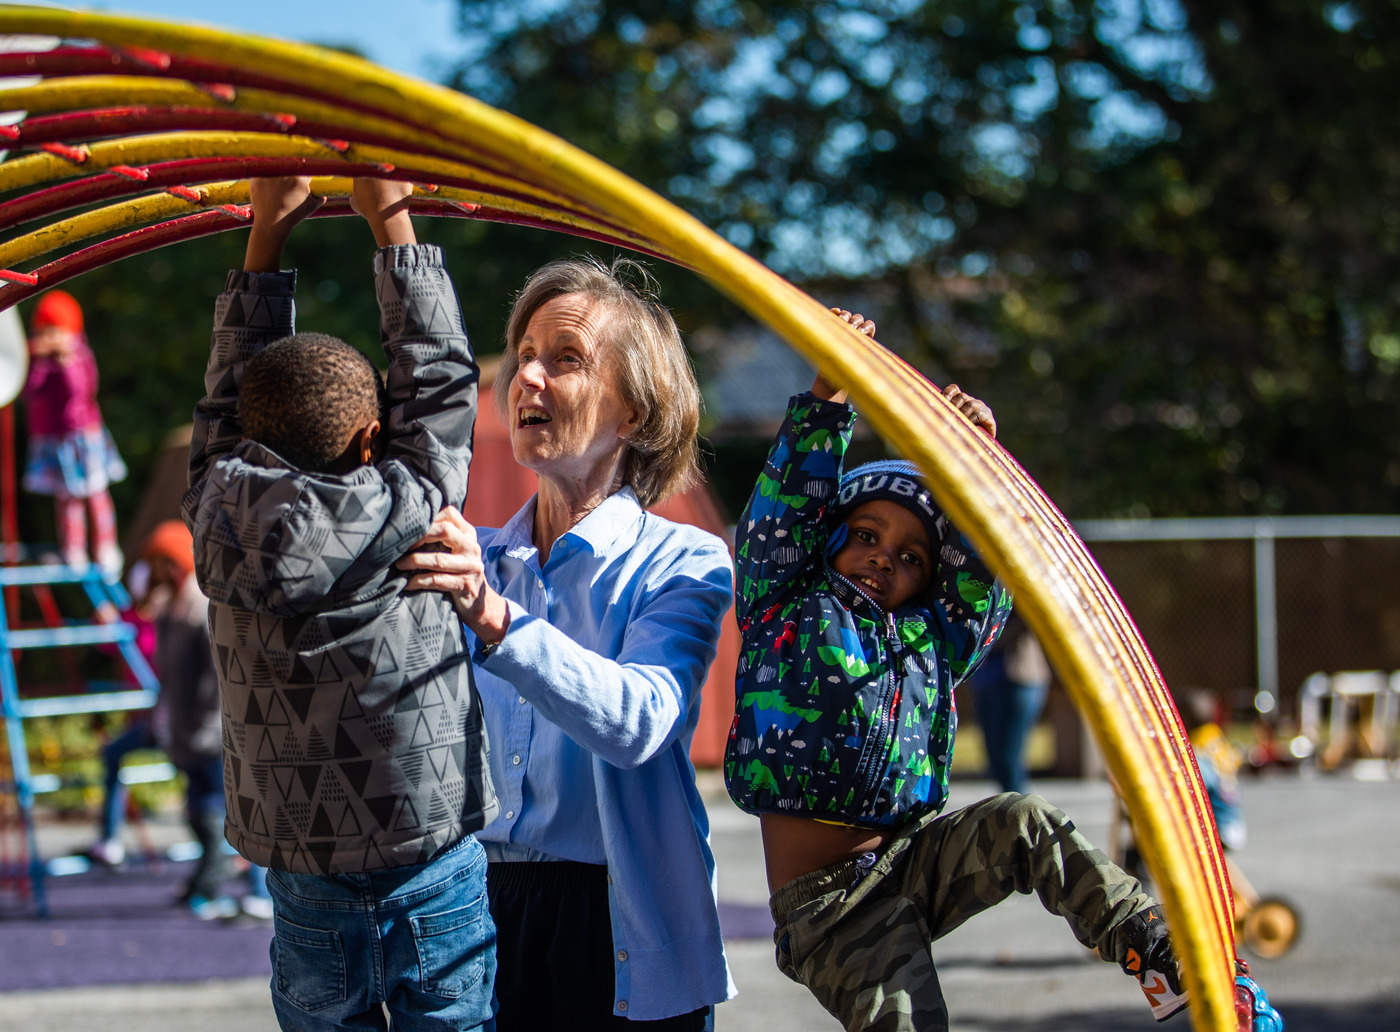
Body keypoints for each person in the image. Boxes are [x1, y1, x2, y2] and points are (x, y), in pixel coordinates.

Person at [723, 311, 1282, 1031]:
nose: (884, 557)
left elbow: (984, 576)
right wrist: (832, 392)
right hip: (828, 909)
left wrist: (975, 466)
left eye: (911, 557)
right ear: (827, 543)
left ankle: (1164, 957)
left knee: (1024, 822)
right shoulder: (786, 601)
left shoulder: (930, 640)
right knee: (907, 1019)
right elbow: (783, 513)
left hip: (911, 862)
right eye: (864, 536)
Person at [183, 175, 497, 1031]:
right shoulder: (410, 503)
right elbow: (439, 383)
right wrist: (389, 219)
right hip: (426, 854)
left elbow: (221, 407)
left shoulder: (214, 511)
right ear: (370, 438)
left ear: (248, 439)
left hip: (302, 871)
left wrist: (264, 243)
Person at [396, 256, 735, 1030]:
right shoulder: (473, 558)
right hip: (473, 907)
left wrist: (495, 620)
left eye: (566, 359)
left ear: (635, 415)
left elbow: (642, 721)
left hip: (617, 915)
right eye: (523, 358)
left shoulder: (682, 559)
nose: (528, 379)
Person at [137, 519, 272, 920]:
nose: (165, 574)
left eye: (170, 564)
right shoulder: (170, 611)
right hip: (186, 729)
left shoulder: (201, 610)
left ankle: (257, 893)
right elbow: (169, 676)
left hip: (212, 730)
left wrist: (216, 724)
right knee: (198, 810)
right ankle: (209, 878)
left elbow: (220, 677)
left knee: (227, 810)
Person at [21, 288, 127, 575]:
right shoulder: (40, 362)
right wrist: (40, 361)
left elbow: (80, 390)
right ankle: (73, 550)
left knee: (95, 494)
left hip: (81, 436)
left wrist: (65, 360)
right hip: (55, 441)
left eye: (53, 330)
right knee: (67, 499)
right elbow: (30, 390)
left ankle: (106, 548)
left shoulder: (80, 355)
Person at [968, 609, 1051, 794]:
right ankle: (1010, 804)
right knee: (994, 756)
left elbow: (1026, 621)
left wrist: (988, 638)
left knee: (1010, 755)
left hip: (1022, 679)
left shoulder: (1025, 593)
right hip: (987, 682)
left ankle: (1018, 809)